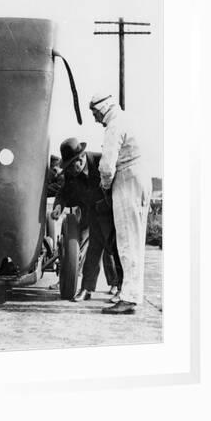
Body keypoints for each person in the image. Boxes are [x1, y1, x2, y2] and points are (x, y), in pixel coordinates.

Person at [89, 93, 151, 315]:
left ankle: (129, 298)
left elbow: (106, 166)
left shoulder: (114, 125)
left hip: (127, 180)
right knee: (134, 242)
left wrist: (105, 186)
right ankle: (131, 294)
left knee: (127, 243)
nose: (95, 118)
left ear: (102, 108)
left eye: (95, 113)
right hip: (139, 178)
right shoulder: (126, 119)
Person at [51, 137, 123, 301]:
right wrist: (58, 206)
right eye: (67, 166)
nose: (70, 170)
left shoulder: (102, 161)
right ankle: (86, 289)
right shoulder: (72, 172)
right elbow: (63, 191)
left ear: (82, 158)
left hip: (111, 213)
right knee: (93, 251)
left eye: (72, 165)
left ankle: (120, 288)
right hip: (91, 214)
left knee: (115, 250)